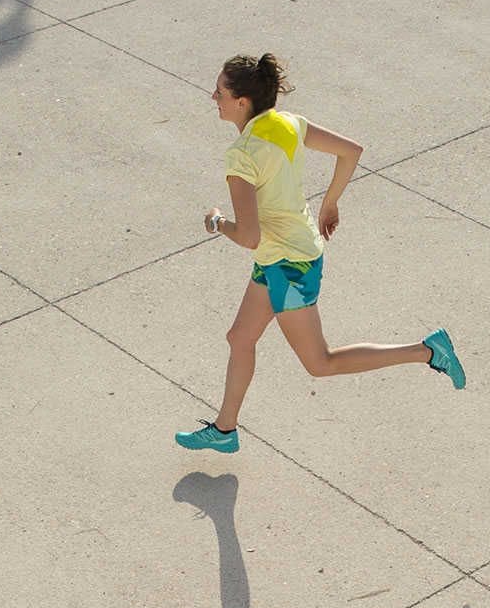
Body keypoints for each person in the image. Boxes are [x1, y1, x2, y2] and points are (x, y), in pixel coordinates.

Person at [174, 54, 465, 454]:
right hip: (287, 253)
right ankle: (225, 431)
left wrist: (216, 221)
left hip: (287, 264)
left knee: (320, 363)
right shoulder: (286, 123)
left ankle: (428, 351)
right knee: (240, 337)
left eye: (220, 92)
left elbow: (248, 236)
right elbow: (352, 151)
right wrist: (330, 203)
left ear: (242, 102)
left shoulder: (241, 156)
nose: (213, 97)